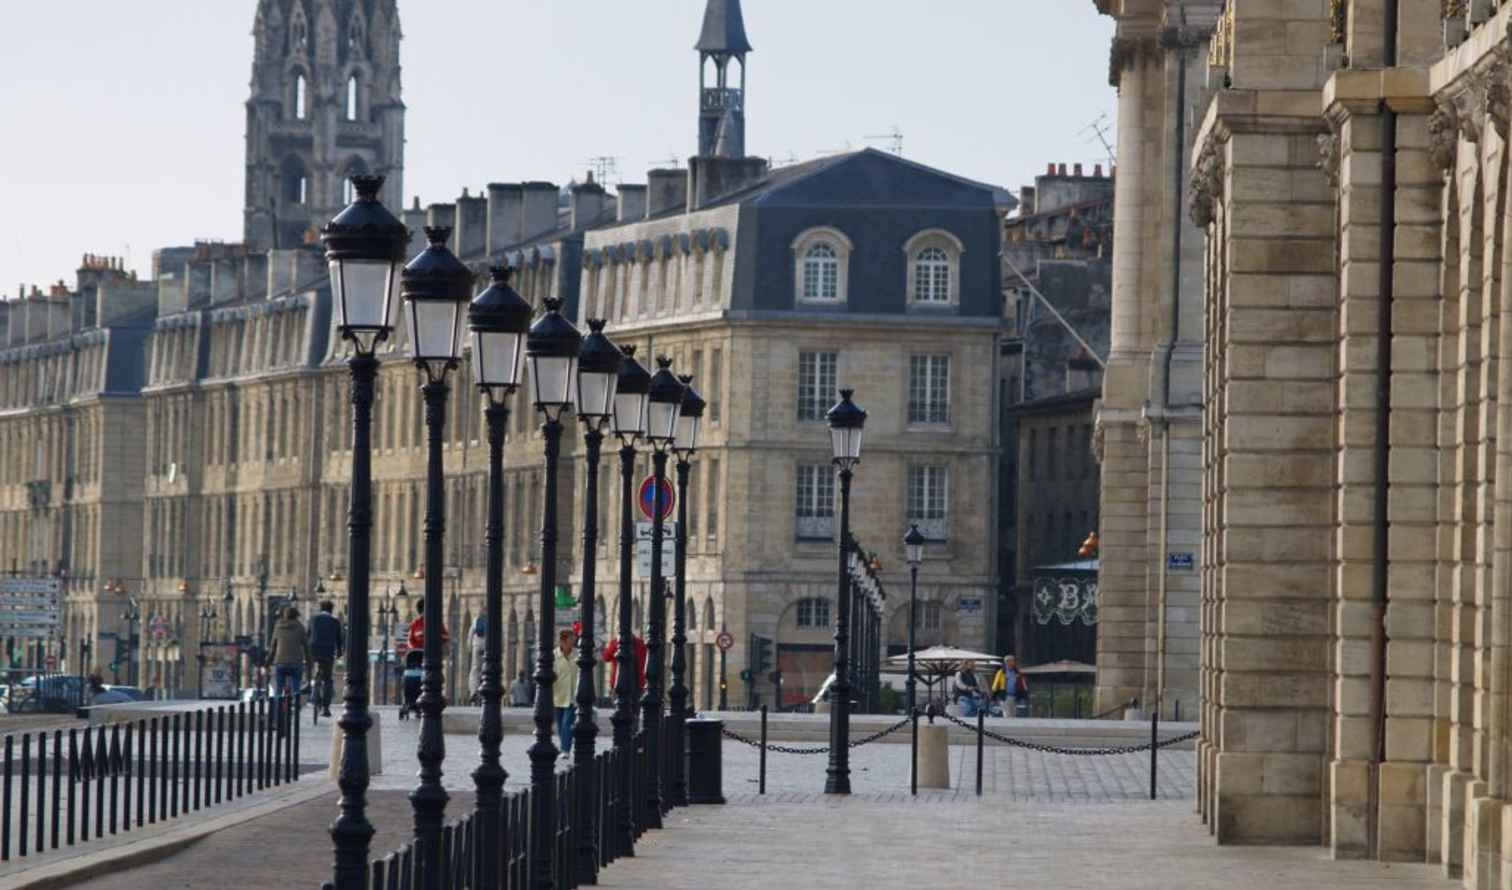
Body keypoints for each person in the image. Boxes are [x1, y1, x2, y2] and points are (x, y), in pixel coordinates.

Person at [308, 599, 344, 717]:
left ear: (321, 608)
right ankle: (326, 708)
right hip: (328, 651)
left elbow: (308, 635)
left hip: (314, 651)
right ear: (331, 609)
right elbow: (339, 639)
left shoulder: (313, 619)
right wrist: (339, 652)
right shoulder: (335, 621)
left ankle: (315, 696)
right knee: (328, 679)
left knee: (316, 674)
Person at [267, 606, 309, 700]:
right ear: (296, 616)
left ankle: (277, 710)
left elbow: (273, 646)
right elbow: (306, 646)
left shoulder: (278, 627)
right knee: (296, 688)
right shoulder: (300, 627)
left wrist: (268, 661)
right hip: (296, 662)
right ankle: (296, 707)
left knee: (278, 690)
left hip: (280, 662)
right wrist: (308, 661)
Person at [553, 629, 578, 756]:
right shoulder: (554, 655)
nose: (573, 643)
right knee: (560, 723)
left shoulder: (577, 655)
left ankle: (565, 749)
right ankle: (564, 745)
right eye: (570, 640)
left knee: (567, 723)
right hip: (558, 695)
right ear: (563, 641)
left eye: (573, 640)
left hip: (572, 696)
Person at [468, 615, 487, 704]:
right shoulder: (492, 620)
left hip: (477, 647)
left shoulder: (475, 620)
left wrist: (469, 649)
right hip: (487, 647)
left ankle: (474, 691)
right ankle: (485, 691)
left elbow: (470, 635)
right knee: (487, 670)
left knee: (475, 670)